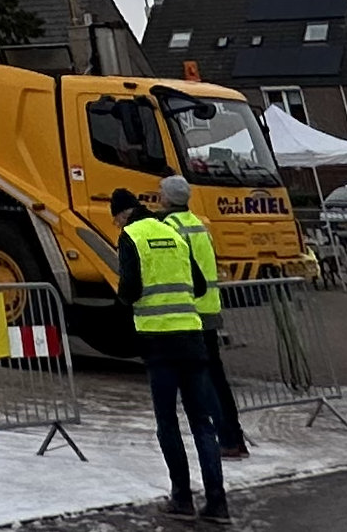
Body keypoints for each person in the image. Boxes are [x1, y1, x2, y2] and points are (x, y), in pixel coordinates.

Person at [113, 180, 229, 521]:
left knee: (168, 423)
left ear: (122, 214)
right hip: (191, 339)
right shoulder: (172, 232)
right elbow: (199, 284)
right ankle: (217, 502)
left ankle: (181, 496)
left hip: (158, 343)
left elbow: (130, 289)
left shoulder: (130, 237)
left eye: (115, 219)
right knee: (202, 424)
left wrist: (124, 299)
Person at [171, 188, 251, 458]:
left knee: (202, 382)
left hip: (191, 313)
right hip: (210, 309)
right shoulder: (198, 224)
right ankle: (235, 438)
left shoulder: (173, 226)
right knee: (217, 379)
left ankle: (226, 440)